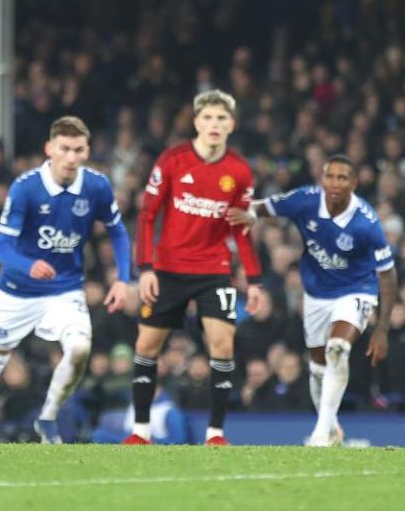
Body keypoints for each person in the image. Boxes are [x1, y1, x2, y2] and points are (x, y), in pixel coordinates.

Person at [0, 116, 131, 444]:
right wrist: (28, 265)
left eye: (78, 149)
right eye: (64, 148)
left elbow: (118, 232)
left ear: (86, 151)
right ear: (50, 148)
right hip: (16, 292)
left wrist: (123, 279)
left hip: (64, 290)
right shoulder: (26, 188)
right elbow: (2, 247)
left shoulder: (96, 186)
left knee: (79, 348)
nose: (71, 156)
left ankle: (48, 416)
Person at [227, 155, 397, 446]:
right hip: (317, 295)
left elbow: (388, 276)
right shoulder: (306, 200)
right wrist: (252, 214)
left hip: (355, 290)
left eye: (343, 178)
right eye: (330, 176)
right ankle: (332, 429)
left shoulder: (365, 223)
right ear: (323, 179)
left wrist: (380, 328)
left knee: (337, 349)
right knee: (318, 367)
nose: (335, 183)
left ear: (354, 183)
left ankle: (321, 432)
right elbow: (267, 206)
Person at [126, 89, 262, 446]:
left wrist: (255, 279)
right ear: (196, 122)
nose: (214, 124)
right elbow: (147, 216)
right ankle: (141, 431)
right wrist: (146, 268)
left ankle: (215, 433)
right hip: (168, 270)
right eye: (208, 118)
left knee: (223, 345)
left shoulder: (239, 172)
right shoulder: (172, 160)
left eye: (221, 119)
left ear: (231, 125)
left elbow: (240, 228)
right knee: (146, 346)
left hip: (214, 271)